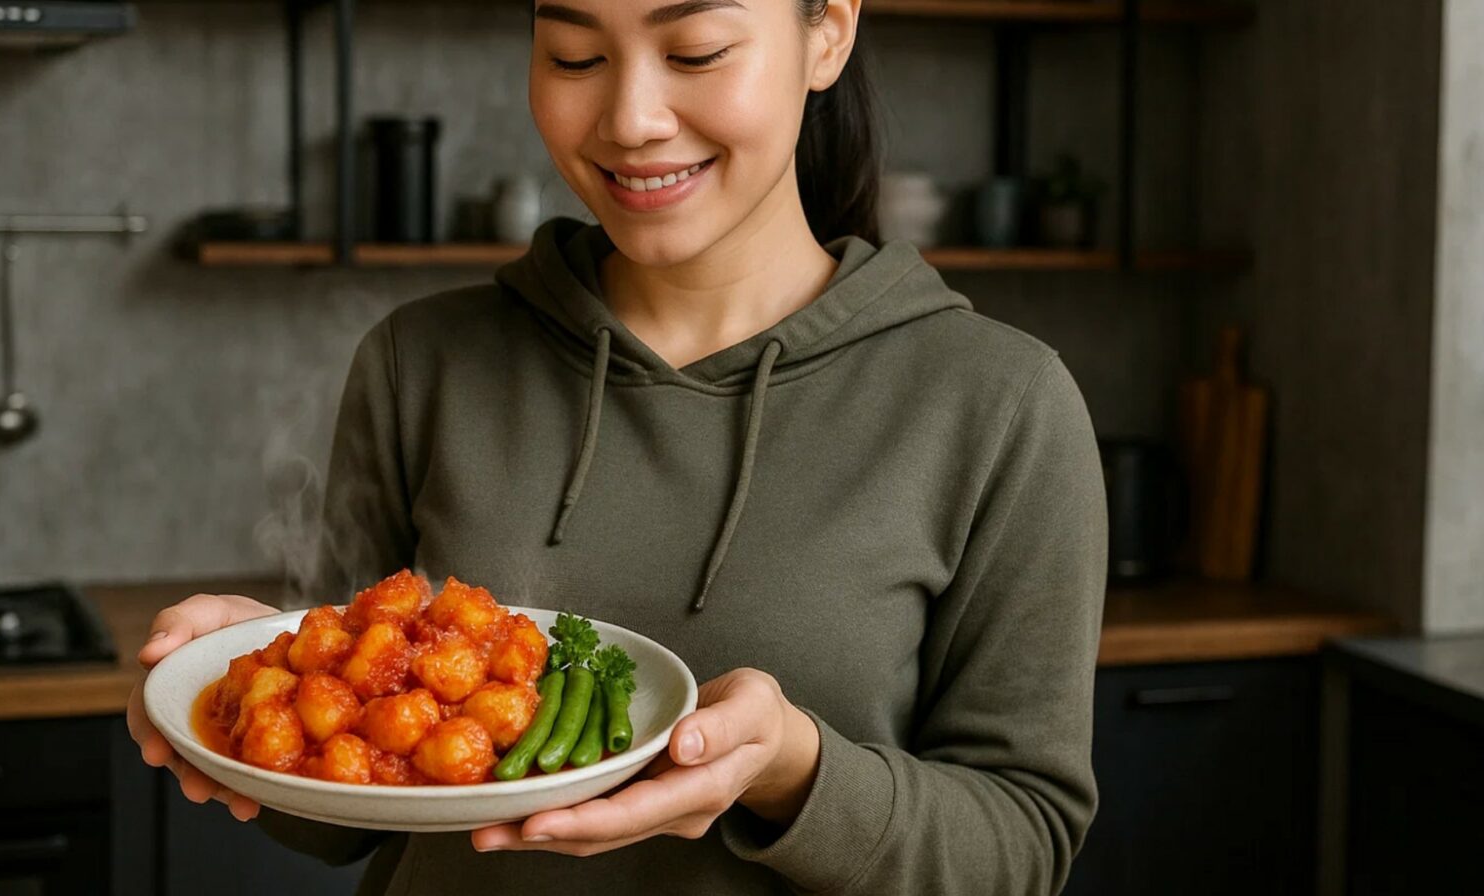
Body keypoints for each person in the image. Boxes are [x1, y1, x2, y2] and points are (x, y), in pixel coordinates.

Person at [127, 0, 1108, 892]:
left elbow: (1020, 846)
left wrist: (793, 768)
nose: (630, 118)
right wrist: (239, 704)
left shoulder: (997, 402)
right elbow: (348, 819)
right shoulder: (421, 359)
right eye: (575, 54)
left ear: (828, 32)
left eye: (696, 51)